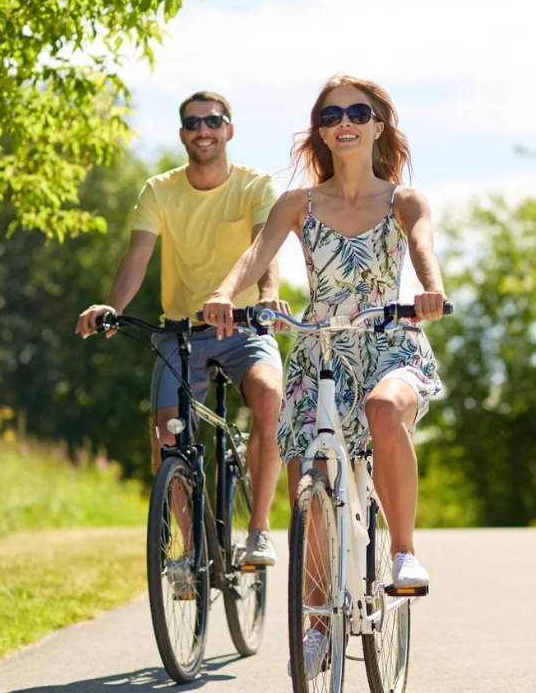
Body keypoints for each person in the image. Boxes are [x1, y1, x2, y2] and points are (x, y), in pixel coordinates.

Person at [203, 75, 445, 661]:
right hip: (319, 347)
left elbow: (421, 248)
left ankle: (404, 553)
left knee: (385, 409)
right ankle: (316, 628)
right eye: (331, 113)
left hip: (389, 338)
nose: (345, 121)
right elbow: (253, 255)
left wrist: (432, 290)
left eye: (358, 112)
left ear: (377, 125)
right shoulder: (299, 204)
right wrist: (222, 294)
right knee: (309, 477)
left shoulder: (403, 200)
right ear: (321, 129)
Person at [75, 91, 288, 567]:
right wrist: (112, 306)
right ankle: (190, 554)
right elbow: (137, 256)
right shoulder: (159, 190)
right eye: (192, 123)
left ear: (228, 129)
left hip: (244, 326)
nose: (203, 130)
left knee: (270, 397)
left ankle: (258, 531)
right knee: (167, 435)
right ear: (182, 135)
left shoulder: (255, 186)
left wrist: (267, 298)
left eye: (213, 121)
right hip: (180, 334)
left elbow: (264, 251)